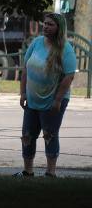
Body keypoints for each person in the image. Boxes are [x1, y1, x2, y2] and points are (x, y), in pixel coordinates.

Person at [16, 12, 76, 177]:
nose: (46, 27)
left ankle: (51, 172)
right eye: (45, 23)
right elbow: (26, 69)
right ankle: (28, 171)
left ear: (59, 28)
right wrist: (23, 93)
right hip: (32, 100)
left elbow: (69, 76)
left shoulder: (65, 49)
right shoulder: (36, 43)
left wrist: (57, 100)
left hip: (53, 101)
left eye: (50, 24)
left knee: (49, 135)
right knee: (27, 134)